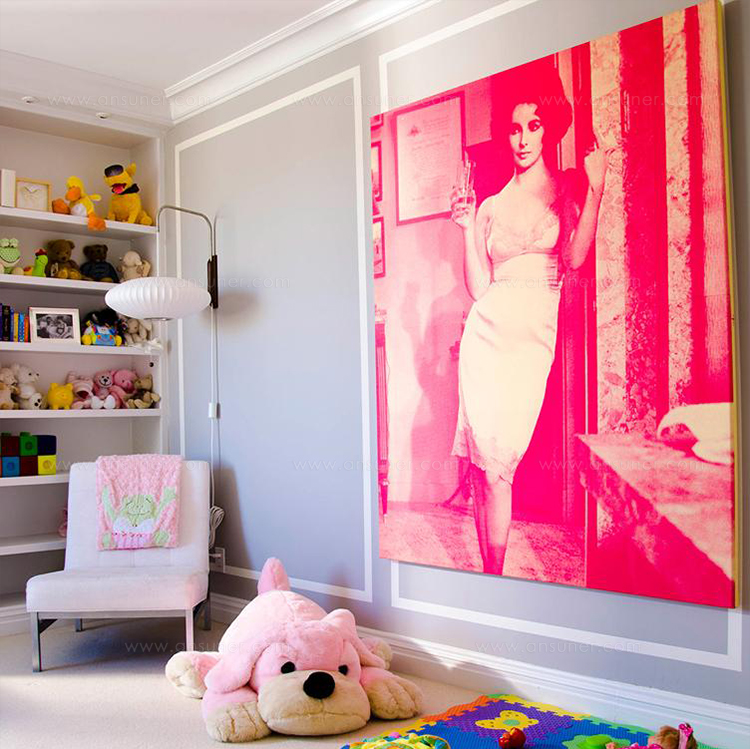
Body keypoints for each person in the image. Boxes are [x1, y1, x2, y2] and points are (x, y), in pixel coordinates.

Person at [451, 65, 607, 575]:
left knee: (501, 465)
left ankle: (491, 577)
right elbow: (479, 289)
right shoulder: (490, 206)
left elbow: (576, 257)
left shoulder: (567, 190)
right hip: (485, 336)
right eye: (515, 129)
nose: (522, 139)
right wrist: (465, 227)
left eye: (533, 127)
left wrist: (598, 188)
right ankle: (492, 576)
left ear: (547, 130)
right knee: (485, 470)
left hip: (530, 341)